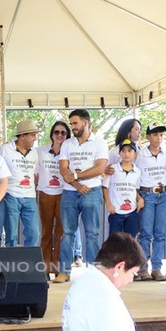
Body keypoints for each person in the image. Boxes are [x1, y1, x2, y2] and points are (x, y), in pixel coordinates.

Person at [56, 109, 108, 283]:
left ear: (86, 123)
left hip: (92, 191)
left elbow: (100, 168)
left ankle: (93, 273)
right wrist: (77, 185)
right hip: (70, 192)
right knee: (67, 233)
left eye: (75, 123)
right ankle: (64, 271)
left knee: (92, 233)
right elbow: (63, 169)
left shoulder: (99, 143)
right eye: (71, 123)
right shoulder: (67, 144)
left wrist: (77, 176)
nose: (72, 127)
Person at [135, 122, 166, 282]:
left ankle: (157, 268)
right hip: (147, 194)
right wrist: (138, 196)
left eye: (161, 135)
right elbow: (134, 174)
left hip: (162, 194)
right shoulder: (140, 154)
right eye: (155, 134)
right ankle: (143, 268)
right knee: (146, 233)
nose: (158, 138)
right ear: (148, 136)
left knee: (160, 233)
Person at [1, 119, 40, 247]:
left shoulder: (35, 153)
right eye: (33, 135)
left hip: (30, 196)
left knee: (34, 233)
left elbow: (36, 173)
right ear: (23, 136)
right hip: (11, 195)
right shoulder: (5, 149)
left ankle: (29, 259)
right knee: (11, 234)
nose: (35, 138)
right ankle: (12, 259)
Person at [36, 121, 68, 277]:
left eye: (63, 133)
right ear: (51, 134)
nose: (60, 135)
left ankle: (57, 267)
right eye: (57, 132)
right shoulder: (40, 151)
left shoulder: (70, 152)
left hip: (64, 193)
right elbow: (34, 172)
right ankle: (45, 266)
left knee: (61, 232)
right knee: (46, 231)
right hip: (46, 194)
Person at [102, 139, 142, 238]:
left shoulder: (137, 171)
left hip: (132, 211)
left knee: (131, 240)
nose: (126, 154)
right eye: (123, 151)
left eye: (129, 151)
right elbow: (105, 187)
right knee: (115, 240)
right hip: (116, 211)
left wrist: (140, 199)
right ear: (119, 153)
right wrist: (108, 204)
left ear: (135, 154)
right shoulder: (112, 168)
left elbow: (134, 189)